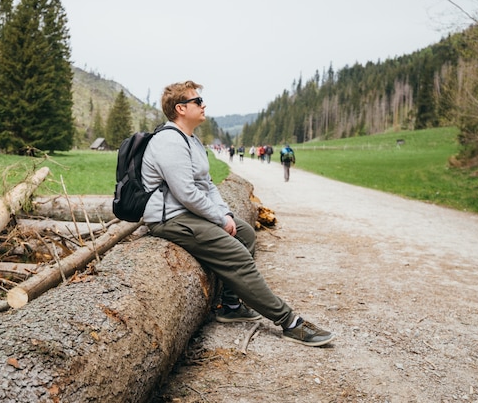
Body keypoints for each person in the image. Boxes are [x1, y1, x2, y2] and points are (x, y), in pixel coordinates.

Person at [141, 80, 335, 347]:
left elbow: (207, 185)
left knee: (244, 233)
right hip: (169, 219)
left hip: (187, 213)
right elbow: (186, 193)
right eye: (197, 101)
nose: (203, 104)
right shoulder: (168, 142)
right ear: (181, 108)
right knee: (237, 255)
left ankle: (230, 306)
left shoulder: (192, 141)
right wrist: (219, 220)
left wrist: (226, 215)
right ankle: (289, 322)